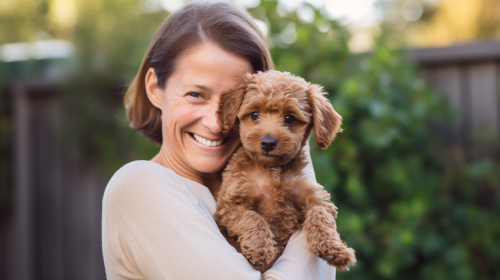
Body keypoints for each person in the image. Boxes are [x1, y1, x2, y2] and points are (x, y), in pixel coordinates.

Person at [101, 2, 336, 279]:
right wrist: (301, 177)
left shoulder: (260, 186)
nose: (217, 123)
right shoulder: (139, 186)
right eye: (195, 94)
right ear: (154, 89)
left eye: (232, 104)